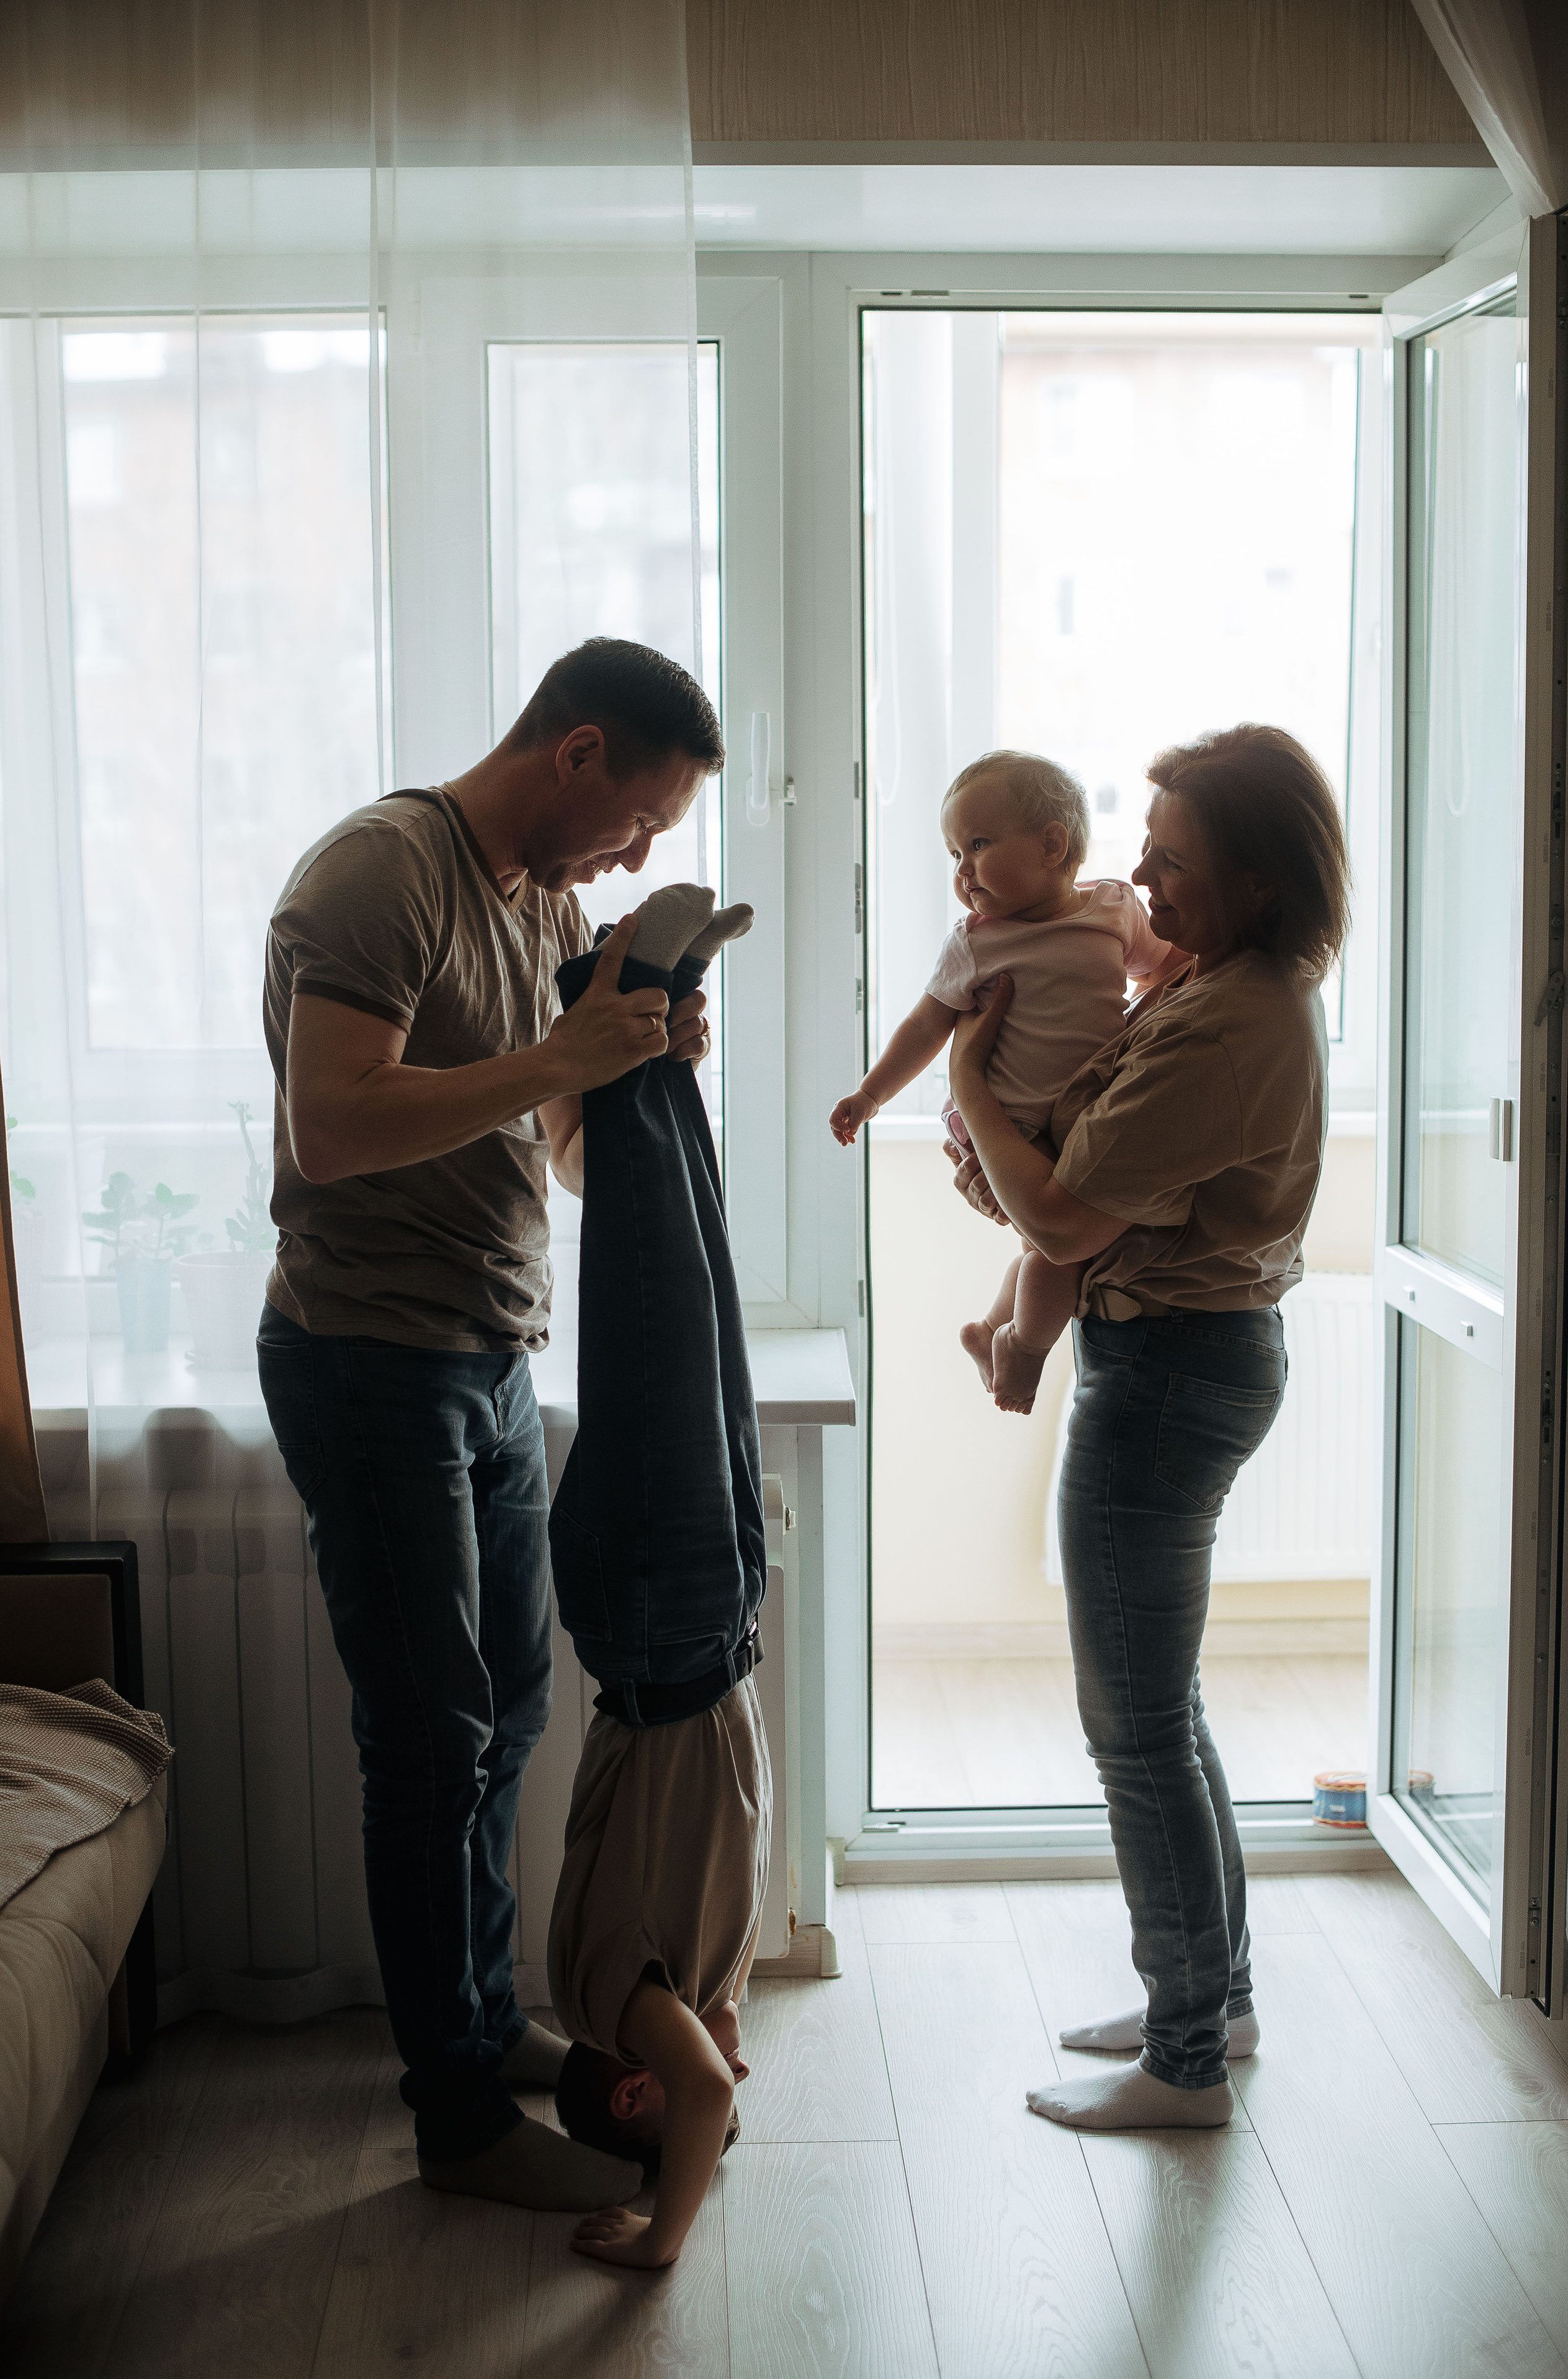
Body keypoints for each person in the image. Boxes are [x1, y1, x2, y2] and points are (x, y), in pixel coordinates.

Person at [256, 638, 724, 2211]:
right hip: (366, 1356)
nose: (638, 857)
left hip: (487, 1352)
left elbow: (563, 1155)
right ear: (576, 750)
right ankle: (453, 2115)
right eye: (640, 817)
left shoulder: (545, 908)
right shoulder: (381, 871)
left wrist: (628, 1068)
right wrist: (554, 1053)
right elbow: (331, 1125)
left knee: (510, 1712)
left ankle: (478, 2021)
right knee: (430, 1737)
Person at [942, 722, 1349, 2133]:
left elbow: (1058, 1211)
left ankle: (1182, 2058)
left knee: (1131, 1732)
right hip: (1176, 1354)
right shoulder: (1222, 988)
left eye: (1169, 861)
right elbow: (1072, 1181)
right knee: (1159, 1711)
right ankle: (1211, 1999)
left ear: (1252, 878)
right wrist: (1010, 1148)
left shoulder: (1239, 1019)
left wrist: (965, 1094)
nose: (1138, 877)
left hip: (1168, 1372)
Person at [539, 882, 771, 2272]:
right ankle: (657, 1006)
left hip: (650, 1609)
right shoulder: (691, 1975)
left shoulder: (608, 1998)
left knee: (641, 1299)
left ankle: (610, 990)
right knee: (700, 1284)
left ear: (636, 2089)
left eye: (709, 2099)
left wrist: (657, 2234)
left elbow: (688, 2088)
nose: (728, 2072)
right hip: (710, 1613)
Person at [830, 751, 1174, 1412]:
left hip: (1078, 1121)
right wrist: (870, 1094)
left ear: (1052, 845)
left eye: (977, 846)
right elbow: (926, 1025)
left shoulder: (1112, 909)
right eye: (954, 853)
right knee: (1058, 1250)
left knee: (1052, 1243)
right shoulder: (976, 942)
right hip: (1011, 1119)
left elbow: (1165, 964)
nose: (961, 871)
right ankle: (1022, 1351)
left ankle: (990, 1328)